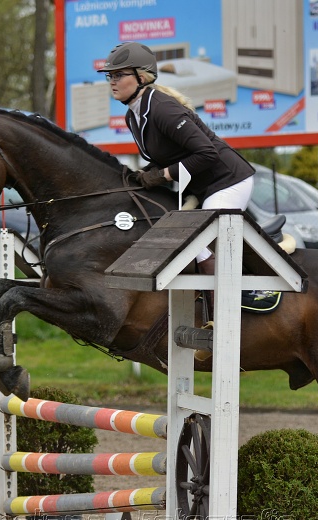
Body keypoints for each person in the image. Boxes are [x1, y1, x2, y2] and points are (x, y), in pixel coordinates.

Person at [97, 42, 256, 342]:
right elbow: (165, 156)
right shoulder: (135, 113)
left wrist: (163, 175)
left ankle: (222, 324)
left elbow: (206, 154)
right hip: (201, 186)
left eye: (119, 75)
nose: (112, 82)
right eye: (110, 76)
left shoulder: (162, 107)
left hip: (228, 181)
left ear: (141, 77)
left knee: (197, 242)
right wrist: (144, 174)